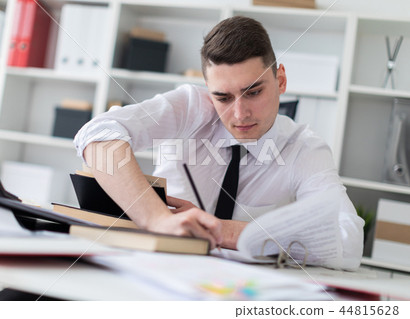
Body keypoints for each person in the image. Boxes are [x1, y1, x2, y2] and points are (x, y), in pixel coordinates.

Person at [74, 16, 364, 270]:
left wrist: (224, 231)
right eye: (223, 98)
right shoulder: (191, 106)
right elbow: (97, 134)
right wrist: (158, 220)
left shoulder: (305, 149)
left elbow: (349, 243)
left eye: (253, 92)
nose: (239, 114)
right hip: (161, 269)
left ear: (281, 80)